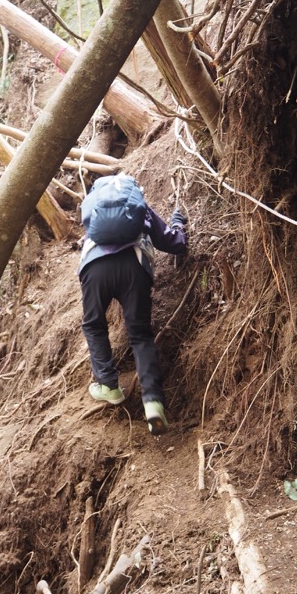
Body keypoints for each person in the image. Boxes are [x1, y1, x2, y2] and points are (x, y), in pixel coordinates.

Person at [78, 176, 187, 435]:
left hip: (95, 269)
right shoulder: (137, 207)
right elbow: (174, 243)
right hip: (134, 267)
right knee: (139, 334)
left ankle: (108, 386)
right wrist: (178, 223)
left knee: (94, 325)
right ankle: (153, 402)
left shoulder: (94, 205)